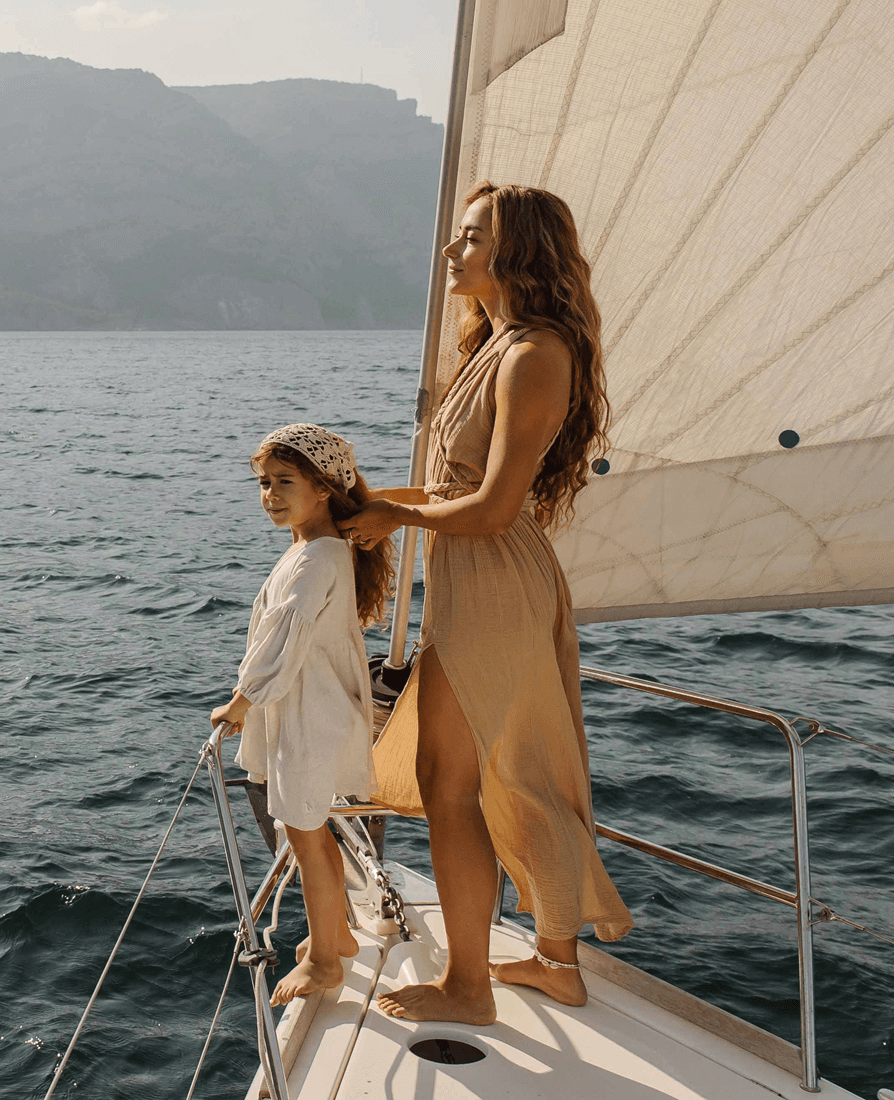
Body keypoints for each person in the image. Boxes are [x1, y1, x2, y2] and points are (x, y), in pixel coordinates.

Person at [338, 182, 633, 1026]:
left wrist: (396, 515)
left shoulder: (535, 353)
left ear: (516, 250)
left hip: (495, 576)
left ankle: (468, 987)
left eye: (469, 238)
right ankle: (556, 964)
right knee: (508, 768)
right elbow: (455, 487)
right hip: (479, 577)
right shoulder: (497, 344)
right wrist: (361, 501)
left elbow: (495, 506)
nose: (450, 251)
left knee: (449, 778)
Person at [211, 423, 393, 1006]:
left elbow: (282, 641)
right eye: (263, 483)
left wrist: (241, 703)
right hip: (306, 710)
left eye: (285, 481)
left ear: (325, 487)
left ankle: (323, 961)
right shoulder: (310, 550)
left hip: (309, 716)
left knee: (305, 833)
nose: (270, 494)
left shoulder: (318, 557)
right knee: (306, 829)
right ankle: (336, 934)